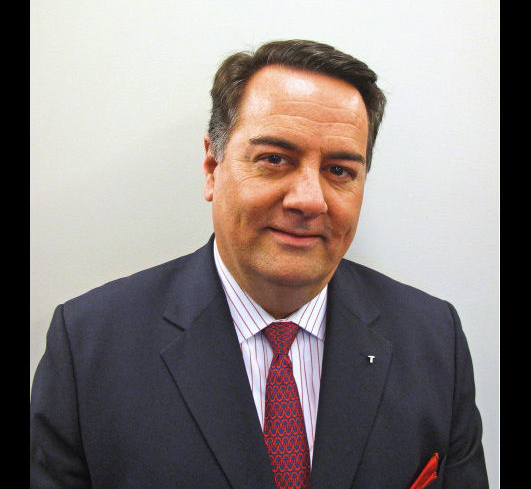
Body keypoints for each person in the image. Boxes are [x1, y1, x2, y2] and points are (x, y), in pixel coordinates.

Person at [30, 39, 489, 488]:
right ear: (212, 167)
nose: (309, 200)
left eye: (339, 170)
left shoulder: (434, 341)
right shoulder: (89, 346)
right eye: (274, 159)